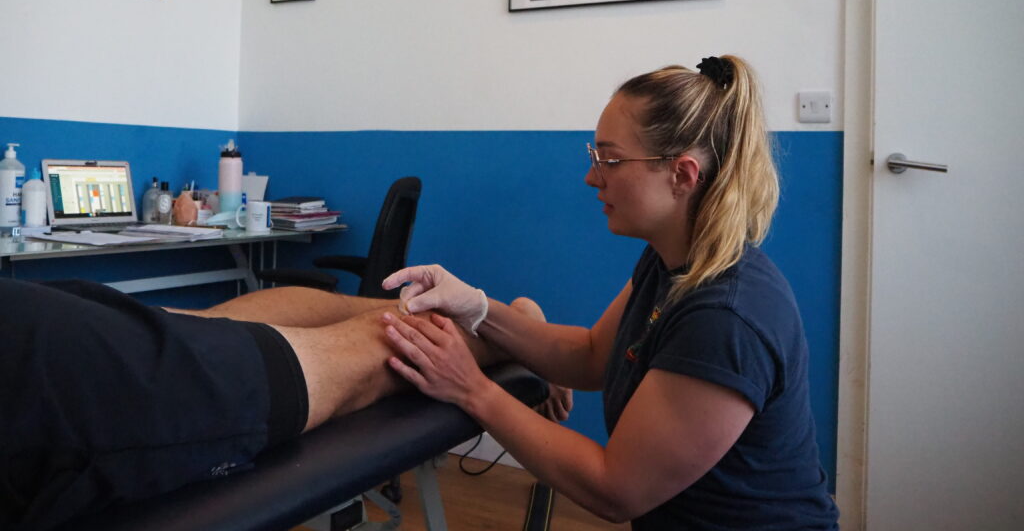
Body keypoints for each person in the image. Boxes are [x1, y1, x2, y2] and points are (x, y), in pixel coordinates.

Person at [381, 55, 841, 530]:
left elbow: (616, 489)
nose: (592, 176)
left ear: (682, 175)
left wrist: (471, 389)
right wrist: (475, 306)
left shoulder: (726, 317)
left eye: (611, 159)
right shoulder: (671, 263)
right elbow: (590, 355)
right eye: (594, 157)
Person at [0, 277, 566, 530]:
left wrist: (519, 343)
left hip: (49, 377)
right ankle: (510, 319)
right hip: (34, 325)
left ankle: (511, 325)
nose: (596, 173)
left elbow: (619, 490)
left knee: (361, 349)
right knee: (209, 325)